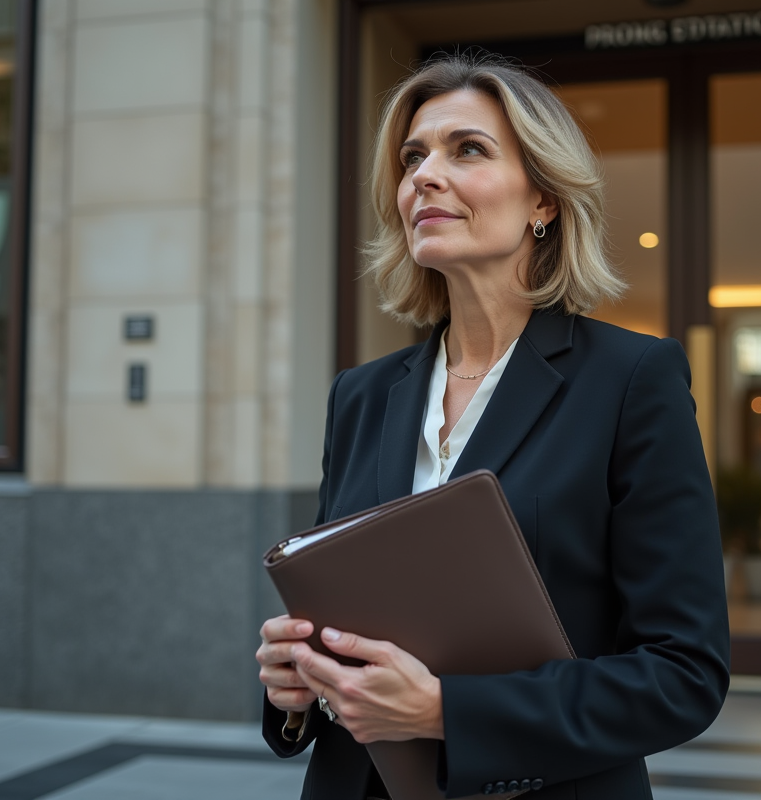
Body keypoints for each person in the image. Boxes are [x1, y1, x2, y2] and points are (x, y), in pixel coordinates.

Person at [255, 53, 729, 800]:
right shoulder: (361, 395)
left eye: (466, 150)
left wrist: (448, 712)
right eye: (413, 158)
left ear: (543, 199)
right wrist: (297, 687)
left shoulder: (632, 381)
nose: (423, 177)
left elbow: (683, 673)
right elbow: (341, 614)